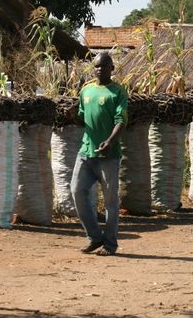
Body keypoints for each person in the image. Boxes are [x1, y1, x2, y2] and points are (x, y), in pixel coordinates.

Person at [71, 52, 128, 256]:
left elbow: (121, 121)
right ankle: (95, 237)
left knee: (111, 203)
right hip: (86, 152)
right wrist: (71, 116)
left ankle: (110, 244)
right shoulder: (86, 91)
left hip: (109, 156)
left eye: (104, 66)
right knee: (77, 191)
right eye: (96, 66)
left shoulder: (117, 92)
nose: (99, 69)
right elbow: (81, 117)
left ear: (112, 69)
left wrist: (110, 141)